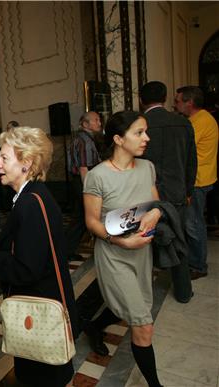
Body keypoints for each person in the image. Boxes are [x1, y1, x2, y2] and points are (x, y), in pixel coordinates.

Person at [0, 126, 78, 387]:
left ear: (27, 163)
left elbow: (26, 269)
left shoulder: (31, 203)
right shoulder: (31, 197)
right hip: (39, 308)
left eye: (4, 158)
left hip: (40, 315)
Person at [84, 111, 164, 387]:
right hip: (114, 255)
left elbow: (155, 203)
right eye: (139, 133)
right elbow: (92, 221)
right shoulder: (98, 176)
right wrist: (121, 241)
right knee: (143, 323)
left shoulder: (147, 167)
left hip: (142, 253)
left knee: (132, 307)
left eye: (146, 131)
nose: (146, 138)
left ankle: (94, 326)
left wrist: (155, 214)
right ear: (118, 139)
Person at [140, 81, 196, 301]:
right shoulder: (182, 123)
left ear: (142, 100)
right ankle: (183, 292)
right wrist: (188, 190)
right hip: (176, 193)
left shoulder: (140, 124)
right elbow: (192, 161)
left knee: (143, 244)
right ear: (164, 98)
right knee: (179, 242)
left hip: (145, 192)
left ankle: (143, 296)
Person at [174, 86, 218, 279]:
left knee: (193, 224)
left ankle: (198, 266)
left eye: (178, 101)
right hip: (203, 177)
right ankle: (194, 261)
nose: (175, 105)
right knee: (193, 222)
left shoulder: (199, 122)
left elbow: (184, 149)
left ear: (189, 103)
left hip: (198, 180)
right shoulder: (200, 119)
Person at [65, 111, 103, 261]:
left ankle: (66, 249)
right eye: (96, 120)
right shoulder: (84, 141)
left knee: (80, 218)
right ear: (86, 124)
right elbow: (83, 168)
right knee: (83, 218)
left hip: (79, 182)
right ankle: (66, 250)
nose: (99, 123)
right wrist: (88, 192)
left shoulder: (83, 138)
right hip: (82, 182)